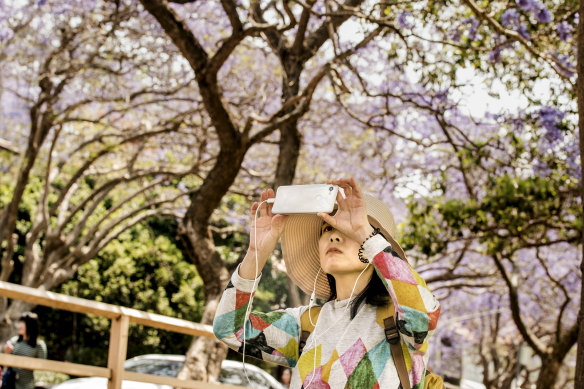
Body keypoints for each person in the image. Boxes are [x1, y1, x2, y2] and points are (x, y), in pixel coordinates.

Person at [213, 178, 440, 388]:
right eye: (327, 229)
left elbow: (425, 314)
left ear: (373, 242)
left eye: (346, 229)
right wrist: (256, 253)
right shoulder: (306, 324)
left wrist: (363, 231)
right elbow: (230, 329)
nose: (334, 235)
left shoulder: (399, 319)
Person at [4, 312, 47, 389]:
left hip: (26, 385)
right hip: (10, 383)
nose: (19, 326)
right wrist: (7, 353)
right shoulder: (14, 340)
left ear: (31, 325)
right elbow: (6, 364)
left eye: (22, 323)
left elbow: (42, 366)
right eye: (19, 322)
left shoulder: (39, 345)